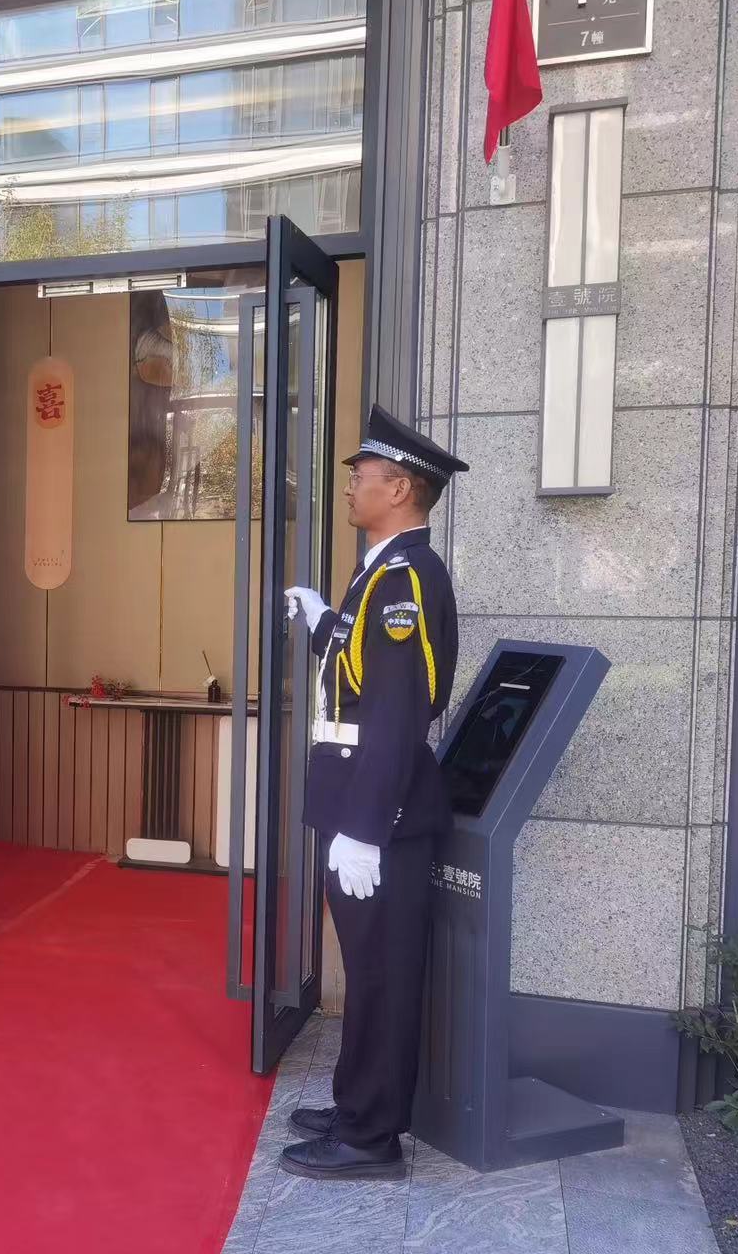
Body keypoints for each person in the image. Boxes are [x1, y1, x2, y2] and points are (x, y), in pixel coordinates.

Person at [279, 406, 469, 1180]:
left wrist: (364, 827)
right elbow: (363, 672)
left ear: (399, 488)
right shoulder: (380, 573)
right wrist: (324, 621)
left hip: (377, 814)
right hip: (359, 802)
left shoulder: (407, 580)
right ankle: (357, 1102)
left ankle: (371, 1136)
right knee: (366, 969)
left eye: (361, 477)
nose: (350, 488)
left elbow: (396, 712)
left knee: (383, 977)